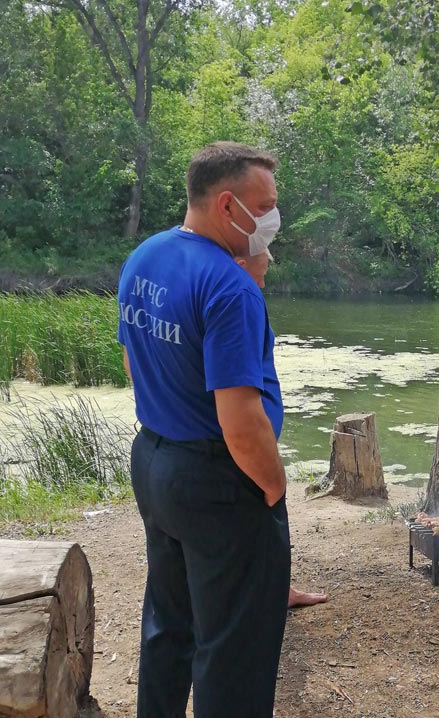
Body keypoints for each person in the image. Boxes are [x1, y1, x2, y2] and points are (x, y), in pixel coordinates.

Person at [117, 141, 290, 718]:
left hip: (155, 462)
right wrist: (272, 487)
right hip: (218, 478)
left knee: (170, 622)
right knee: (234, 648)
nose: (272, 219)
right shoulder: (230, 288)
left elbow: (132, 362)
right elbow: (241, 422)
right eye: (263, 206)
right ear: (226, 206)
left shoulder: (145, 257)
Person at [232, 250, 329, 610]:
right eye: (263, 264)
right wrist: (273, 475)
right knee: (258, 519)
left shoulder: (248, 298)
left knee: (268, 526)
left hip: (259, 440)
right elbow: (237, 399)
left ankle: (279, 588)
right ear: (241, 264)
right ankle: (261, 597)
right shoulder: (236, 299)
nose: (270, 264)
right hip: (245, 447)